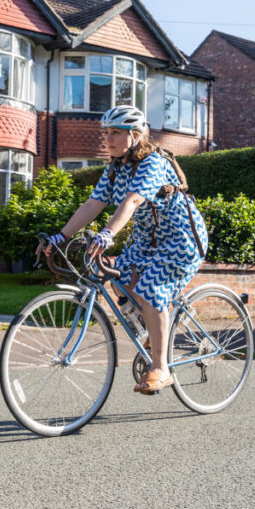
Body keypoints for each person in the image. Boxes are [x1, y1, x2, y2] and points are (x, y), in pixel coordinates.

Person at [40, 105, 208, 394]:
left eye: (115, 133)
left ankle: (160, 367)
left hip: (180, 241)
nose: (108, 138)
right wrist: (60, 237)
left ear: (135, 135)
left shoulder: (153, 163)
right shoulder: (115, 168)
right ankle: (151, 331)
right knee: (114, 273)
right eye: (106, 132)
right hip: (146, 241)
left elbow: (131, 201)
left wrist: (107, 234)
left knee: (152, 289)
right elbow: (93, 204)